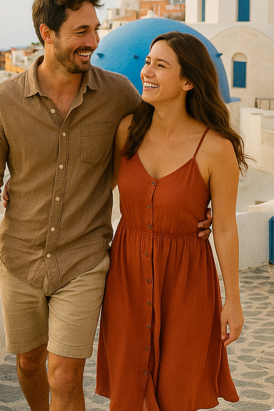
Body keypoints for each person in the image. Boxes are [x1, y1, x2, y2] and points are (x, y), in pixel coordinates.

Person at [0, 0, 212, 411]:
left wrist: (192, 201)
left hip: (84, 257)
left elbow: (164, 137)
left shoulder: (118, 94)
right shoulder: (2, 101)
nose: (93, 41)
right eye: (81, 31)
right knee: (28, 362)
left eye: (95, 29)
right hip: (20, 256)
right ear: (48, 34)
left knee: (64, 372)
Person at [96, 31, 245, 411]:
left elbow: (225, 227)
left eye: (161, 65)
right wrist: (21, 186)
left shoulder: (215, 147)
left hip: (187, 280)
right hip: (126, 275)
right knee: (130, 391)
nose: (147, 71)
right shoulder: (126, 131)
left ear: (188, 80)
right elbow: (94, 185)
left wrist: (233, 301)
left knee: (178, 391)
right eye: (147, 62)